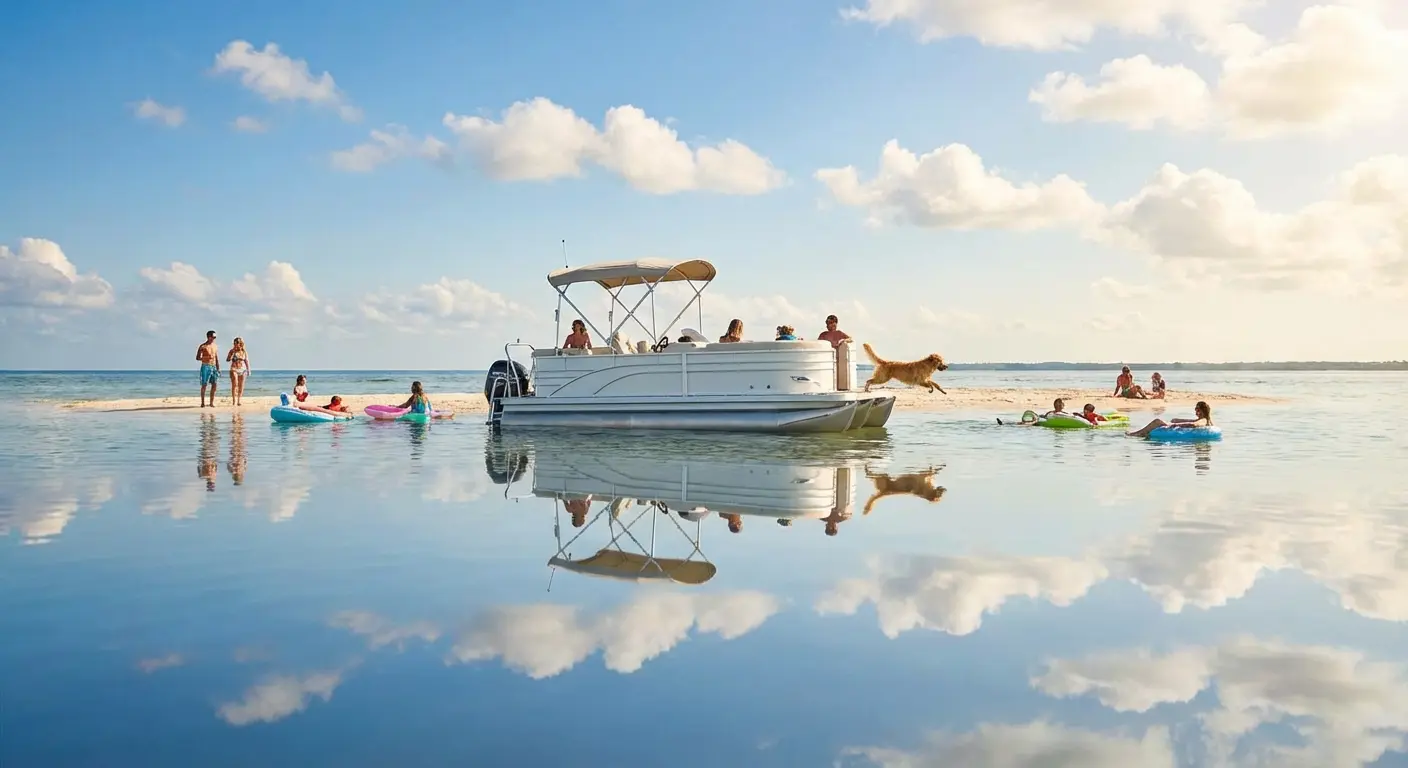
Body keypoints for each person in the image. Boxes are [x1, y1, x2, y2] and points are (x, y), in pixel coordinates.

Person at [1128, 401, 1213, 437]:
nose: (1196, 412)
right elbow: (1193, 421)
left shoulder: (1203, 420)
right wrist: (1176, 420)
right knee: (1172, 420)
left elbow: (1194, 424)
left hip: (1181, 431)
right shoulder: (1205, 419)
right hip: (1183, 429)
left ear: (1202, 411)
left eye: (1197, 410)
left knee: (1157, 421)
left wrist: (1174, 425)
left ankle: (1137, 434)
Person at [196, 330, 220, 408]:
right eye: (213, 337)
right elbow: (197, 358)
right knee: (204, 384)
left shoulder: (215, 346)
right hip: (205, 366)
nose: (214, 338)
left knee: (214, 384)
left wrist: (218, 368)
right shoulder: (203, 346)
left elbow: (216, 357)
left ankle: (211, 403)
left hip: (213, 367)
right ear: (209, 337)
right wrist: (206, 357)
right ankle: (202, 403)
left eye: (215, 337)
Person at [226, 337, 250, 407]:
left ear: (240, 344)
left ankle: (239, 400)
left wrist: (249, 370)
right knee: (235, 384)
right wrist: (231, 355)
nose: (235, 344)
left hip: (243, 369)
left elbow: (246, 361)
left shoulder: (244, 351)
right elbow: (227, 359)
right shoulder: (232, 351)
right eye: (234, 343)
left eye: (237, 343)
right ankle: (234, 401)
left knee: (241, 386)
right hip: (234, 368)